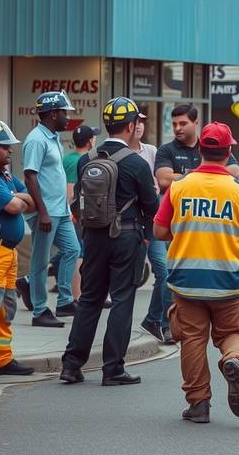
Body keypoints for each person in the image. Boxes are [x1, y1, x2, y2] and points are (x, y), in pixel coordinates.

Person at [153, 122, 239, 424]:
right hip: (227, 281)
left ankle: (199, 404)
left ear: (200, 149)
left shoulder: (179, 187)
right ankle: (233, 359)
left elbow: (159, 231)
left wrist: (184, 230)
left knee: (192, 339)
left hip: (186, 281)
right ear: (228, 153)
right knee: (234, 333)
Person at [60, 97, 158, 386]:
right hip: (126, 236)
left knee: (89, 299)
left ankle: (71, 365)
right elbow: (151, 206)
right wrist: (146, 235)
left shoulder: (86, 160)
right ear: (130, 126)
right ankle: (113, 369)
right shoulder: (137, 163)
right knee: (122, 299)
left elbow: (79, 199)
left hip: (93, 237)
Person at [0, 120, 37, 380]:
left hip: (5, 252)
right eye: (5, 146)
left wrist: (16, 197)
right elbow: (14, 207)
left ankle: (0, 360)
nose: (10, 150)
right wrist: (15, 197)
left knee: (3, 309)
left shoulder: (3, 174)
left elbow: (31, 202)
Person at [17, 91, 81, 327]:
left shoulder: (53, 137)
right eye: (65, 112)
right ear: (53, 113)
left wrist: (66, 208)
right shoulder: (36, 139)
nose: (68, 118)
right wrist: (42, 212)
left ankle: (64, 302)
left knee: (73, 250)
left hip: (60, 210)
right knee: (40, 262)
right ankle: (40, 310)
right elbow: (30, 176)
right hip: (46, 212)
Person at [130, 114, 174, 345]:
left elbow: (160, 182)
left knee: (164, 271)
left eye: (142, 122)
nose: (139, 126)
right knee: (130, 277)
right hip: (130, 221)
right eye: (135, 122)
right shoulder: (119, 153)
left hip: (153, 217)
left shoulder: (151, 150)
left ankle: (159, 322)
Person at [47, 124, 99, 300]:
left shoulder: (69, 158)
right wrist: (71, 213)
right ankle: (77, 296)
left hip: (68, 212)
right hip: (73, 214)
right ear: (90, 141)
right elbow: (70, 192)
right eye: (94, 137)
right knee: (78, 252)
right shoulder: (79, 161)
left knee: (70, 250)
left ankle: (30, 279)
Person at [155, 104, 239, 194]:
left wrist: (186, 176)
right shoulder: (165, 150)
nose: (177, 128)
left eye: (183, 124)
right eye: (174, 124)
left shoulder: (208, 146)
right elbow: (164, 180)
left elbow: (235, 172)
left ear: (195, 123)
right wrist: (208, 177)